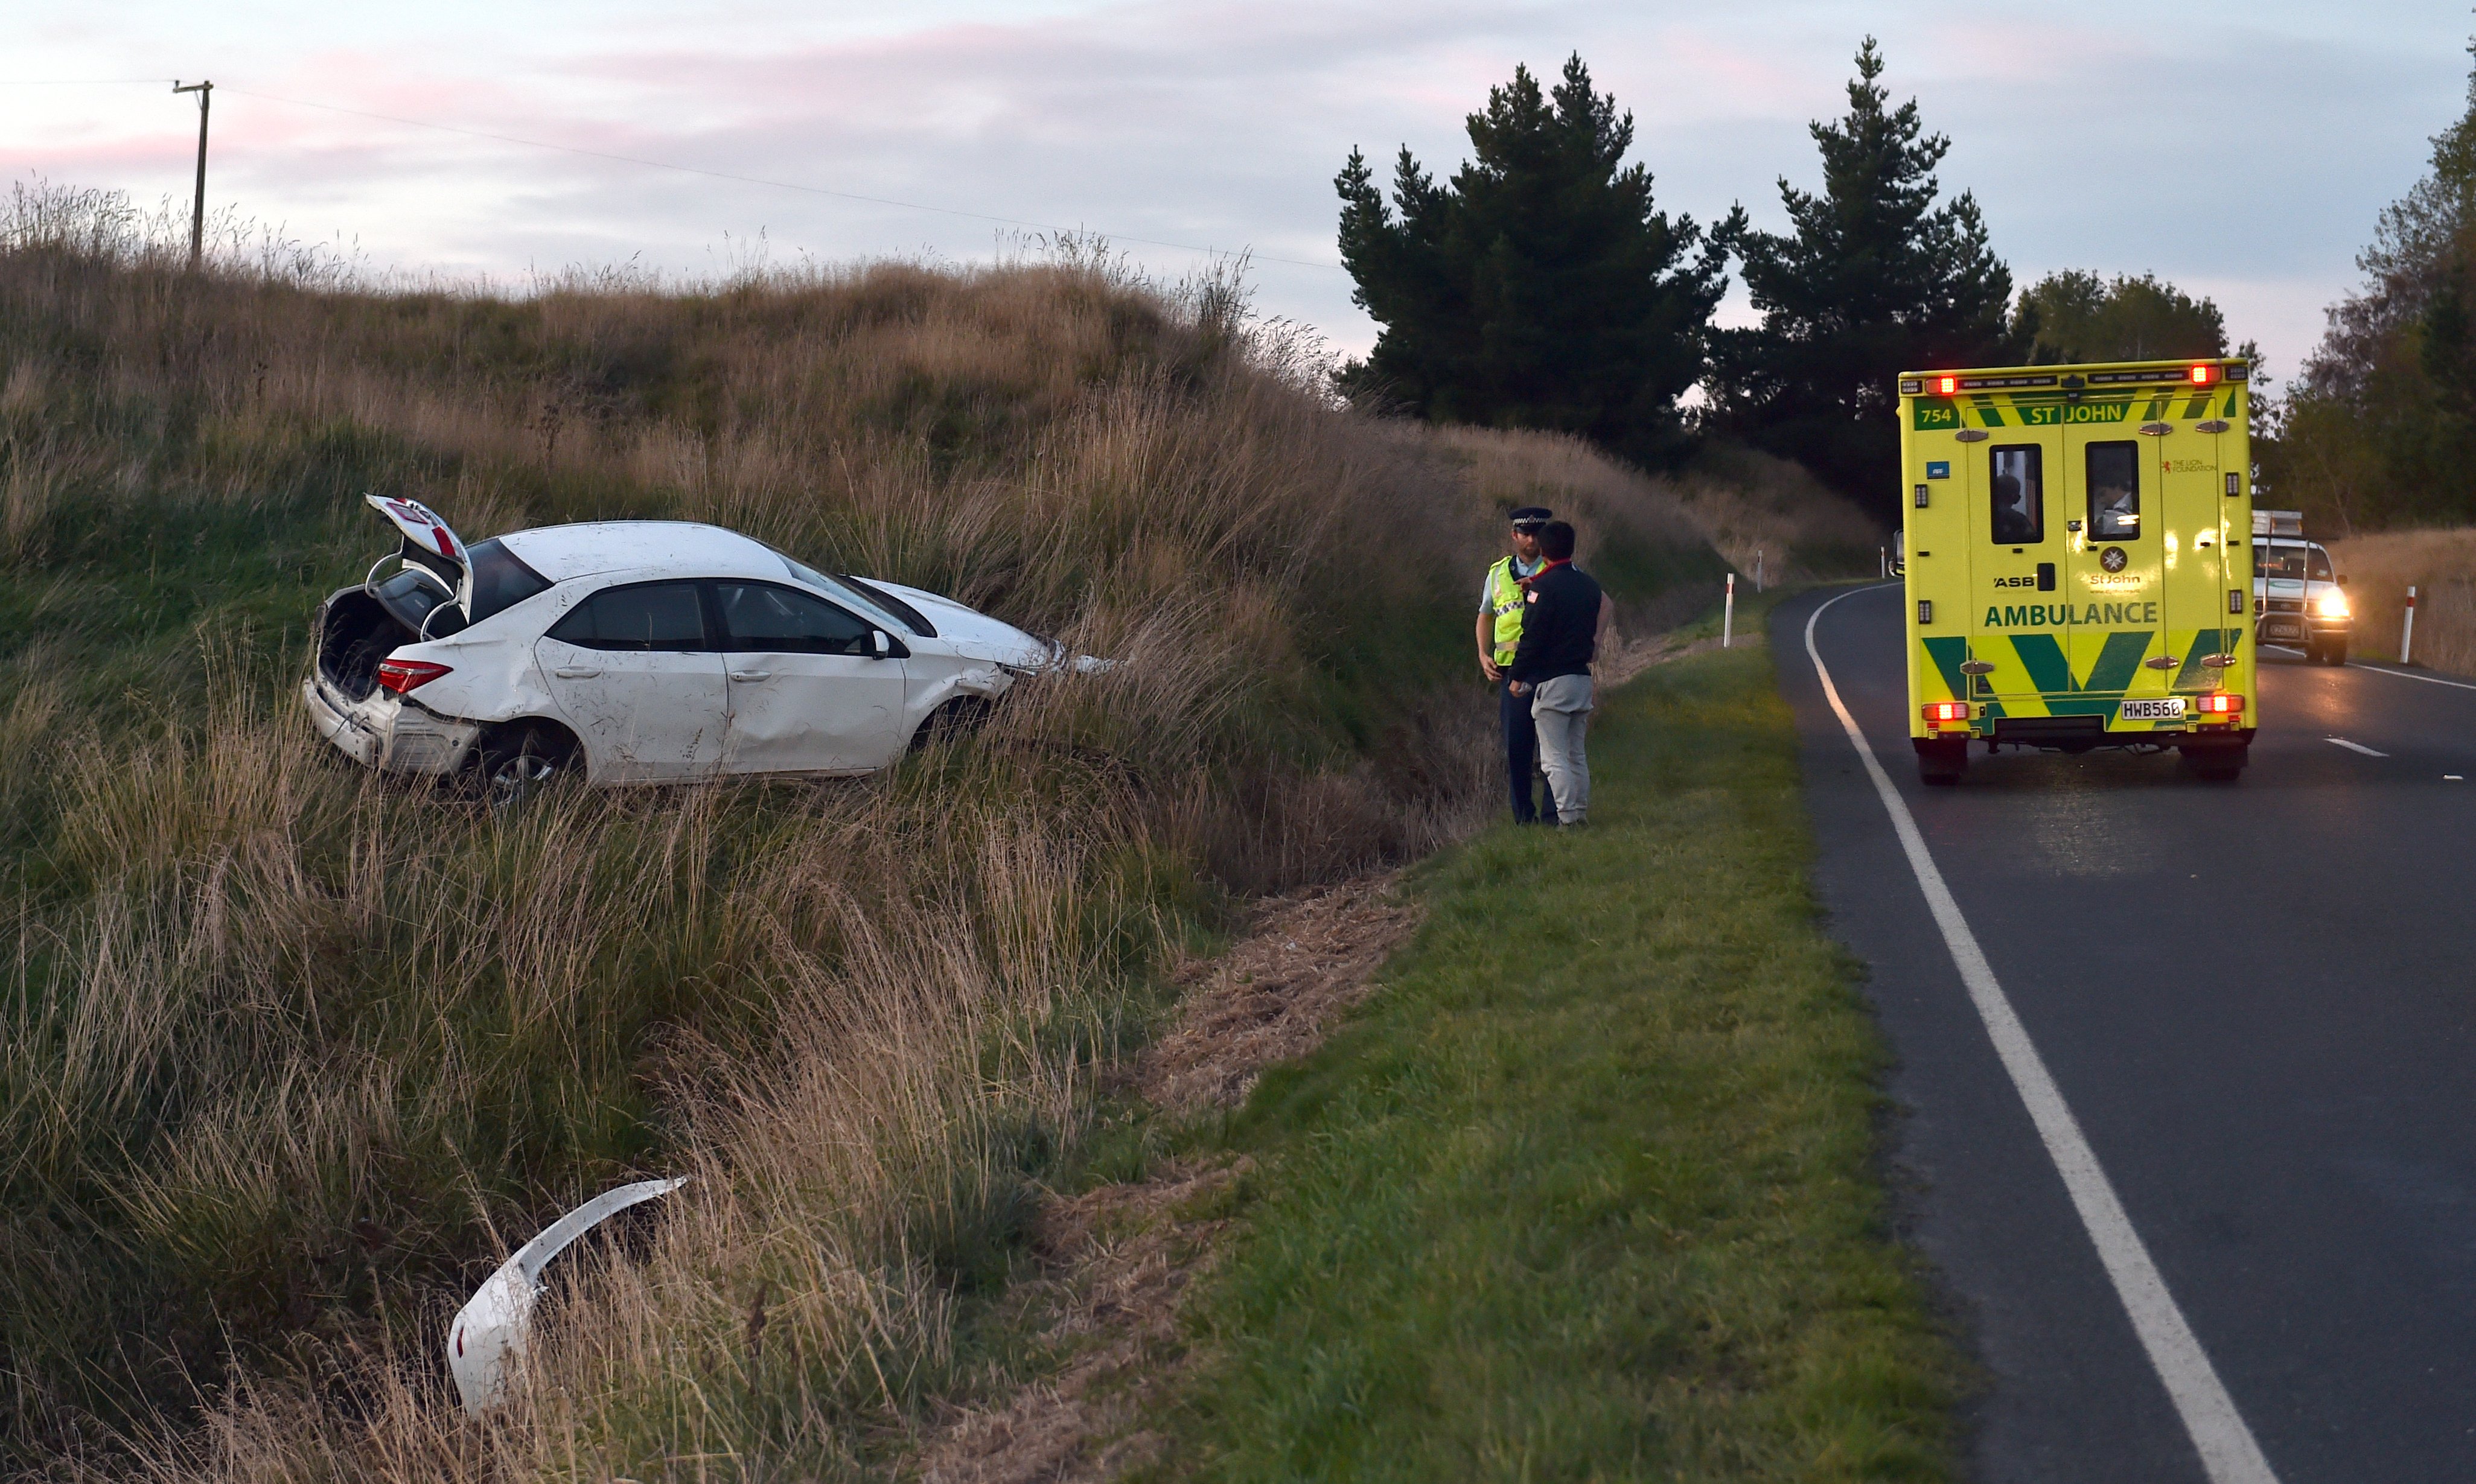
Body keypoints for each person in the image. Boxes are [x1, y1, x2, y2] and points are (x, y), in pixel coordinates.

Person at [1507, 520, 1607, 828]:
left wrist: (1517, 676)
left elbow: (1532, 638)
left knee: (1554, 759)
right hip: (1582, 680)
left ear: (1544, 550)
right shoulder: (1589, 585)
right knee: (1577, 754)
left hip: (1553, 683)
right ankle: (1579, 814)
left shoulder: (1543, 588)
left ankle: (1565, 820)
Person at [1478, 506, 1552, 823]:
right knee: (1517, 748)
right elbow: (1485, 614)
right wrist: (1483, 654)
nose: (1531, 540)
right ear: (1515, 536)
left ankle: (1554, 815)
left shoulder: (1555, 569)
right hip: (1510, 672)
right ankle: (1523, 818)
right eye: (1526, 534)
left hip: (1549, 668)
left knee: (1551, 748)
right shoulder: (1496, 573)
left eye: (1537, 534)